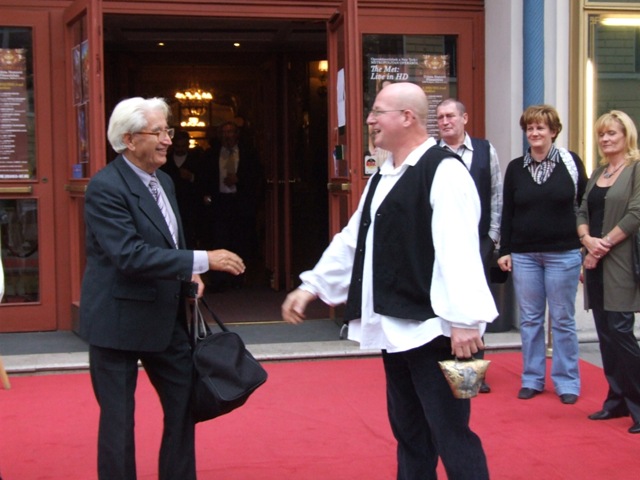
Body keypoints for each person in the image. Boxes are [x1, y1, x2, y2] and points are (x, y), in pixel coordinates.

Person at [282, 82, 497, 480]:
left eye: (377, 111)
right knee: (410, 434)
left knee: (451, 434)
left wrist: (465, 320)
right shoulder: (384, 175)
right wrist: (311, 286)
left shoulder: (445, 171)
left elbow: (459, 248)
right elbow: (354, 239)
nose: (369, 120)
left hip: (437, 332)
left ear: (407, 117)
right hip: (396, 329)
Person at [79, 97, 245, 480]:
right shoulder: (105, 187)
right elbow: (130, 255)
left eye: (168, 130)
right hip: (117, 321)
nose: (169, 139)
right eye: (158, 132)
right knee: (119, 422)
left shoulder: (165, 181)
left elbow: (171, 241)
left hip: (165, 318)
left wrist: (190, 275)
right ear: (128, 139)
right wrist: (202, 260)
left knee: (185, 404)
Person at [497, 104, 587, 405]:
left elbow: (584, 206)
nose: (534, 133)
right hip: (525, 255)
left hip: (564, 253)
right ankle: (532, 378)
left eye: (540, 128)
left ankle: (567, 381)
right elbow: (508, 212)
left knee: (562, 319)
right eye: (530, 128)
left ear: (553, 131)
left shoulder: (570, 163)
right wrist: (505, 250)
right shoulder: (515, 168)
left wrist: (586, 246)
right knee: (531, 319)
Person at [576, 110, 640, 434]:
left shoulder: (636, 168)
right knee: (605, 335)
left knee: (620, 331)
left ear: (626, 135)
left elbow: (635, 214)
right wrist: (586, 239)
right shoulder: (599, 172)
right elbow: (582, 211)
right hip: (595, 262)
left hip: (620, 262)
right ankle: (616, 400)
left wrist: (600, 247)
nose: (605, 139)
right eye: (602, 134)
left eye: (612, 133)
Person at [436, 98, 503, 394]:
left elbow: (496, 195)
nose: (445, 121)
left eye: (450, 116)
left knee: (475, 306)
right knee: (446, 305)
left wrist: (493, 238)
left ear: (464, 118)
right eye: (440, 117)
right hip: (443, 245)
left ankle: (474, 373)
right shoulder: (431, 154)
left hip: (479, 242)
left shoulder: (486, 150)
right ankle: (447, 368)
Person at [198, 121, 263, 288]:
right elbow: (203, 176)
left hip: (240, 202)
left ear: (237, 134)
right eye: (224, 132)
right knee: (219, 240)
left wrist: (239, 180)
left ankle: (238, 279)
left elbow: (257, 176)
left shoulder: (248, 153)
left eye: (230, 132)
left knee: (240, 241)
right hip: (219, 203)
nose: (227, 136)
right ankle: (219, 280)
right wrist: (206, 195)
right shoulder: (211, 154)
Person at [159, 129, 203, 248]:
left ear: (188, 145)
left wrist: (191, 177)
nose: (180, 149)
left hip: (190, 204)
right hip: (170, 202)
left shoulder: (197, 160)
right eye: (178, 146)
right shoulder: (165, 160)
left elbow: (204, 181)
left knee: (189, 234)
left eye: (183, 146)